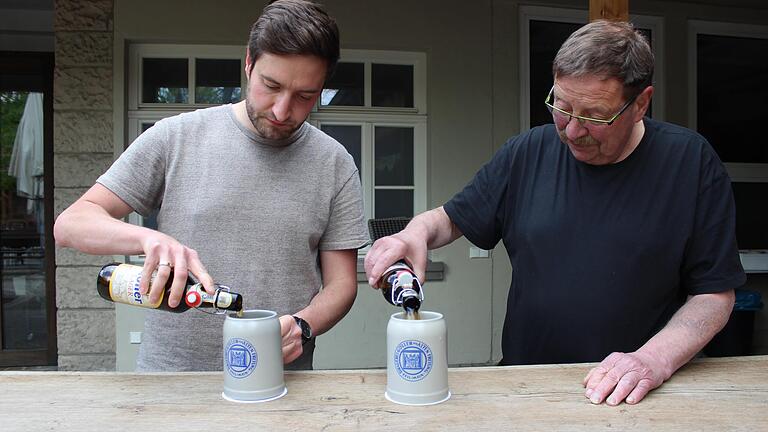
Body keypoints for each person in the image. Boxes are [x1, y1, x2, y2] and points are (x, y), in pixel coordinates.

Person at [365, 20, 745, 405]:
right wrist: (413, 233)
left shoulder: (691, 162)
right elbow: (449, 218)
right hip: (529, 385)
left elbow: (714, 295)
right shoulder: (527, 152)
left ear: (641, 104)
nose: (573, 131)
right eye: (561, 107)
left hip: (637, 394)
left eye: (595, 116)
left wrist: (652, 360)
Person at [54, 0, 368, 371]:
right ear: (249, 63)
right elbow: (71, 223)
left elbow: (342, 285)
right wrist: (148, 239)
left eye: (305, 96)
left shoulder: (335, 163)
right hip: (171, 381)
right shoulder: (176, 137)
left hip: (280, 382)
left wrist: (304, 325)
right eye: (271, 86)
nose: (283, 111)